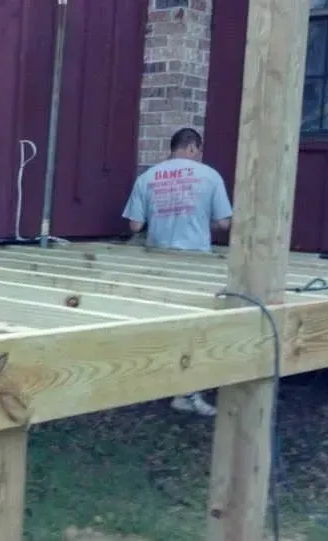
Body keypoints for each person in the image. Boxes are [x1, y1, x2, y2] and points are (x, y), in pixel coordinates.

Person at [121, 127, 233, 417]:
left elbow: (134, 226)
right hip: (196, 263)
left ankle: (160, 383)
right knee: (197, 329)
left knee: (165, 323)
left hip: (158, 260)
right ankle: (187, 392)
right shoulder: (210, 176)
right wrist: (198, 223)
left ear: (173, 148)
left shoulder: (147, 177)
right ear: (194, 147)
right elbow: (224, 223)